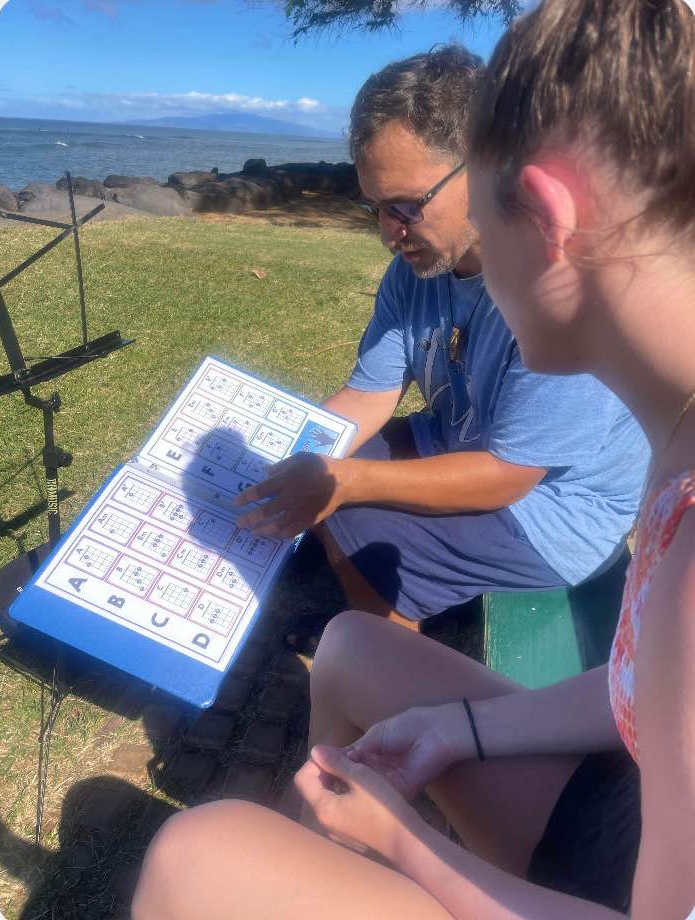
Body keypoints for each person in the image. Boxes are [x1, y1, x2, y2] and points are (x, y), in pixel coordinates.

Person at [131, 1, 695, 917]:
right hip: (610, 805)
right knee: (350, 643)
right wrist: (455, 728)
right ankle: (310, 854)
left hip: (609, 883)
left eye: (408, 206)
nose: (393, 233)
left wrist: (401, 840)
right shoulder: (678, 444)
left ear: (541, 213)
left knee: (194, 853)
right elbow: (647, 696)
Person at [235, 46, 649, 628]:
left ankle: (387, 661)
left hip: (554, 515)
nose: (387, 234)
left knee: (351, 510)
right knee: (328, 463)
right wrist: (287, 457)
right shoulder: (416, 266)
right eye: (374, 208)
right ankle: (369, 584)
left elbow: (509, 475)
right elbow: (369, 396)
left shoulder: (564, 290)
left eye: (405, 207)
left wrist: (341, 485)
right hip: (456, 443)